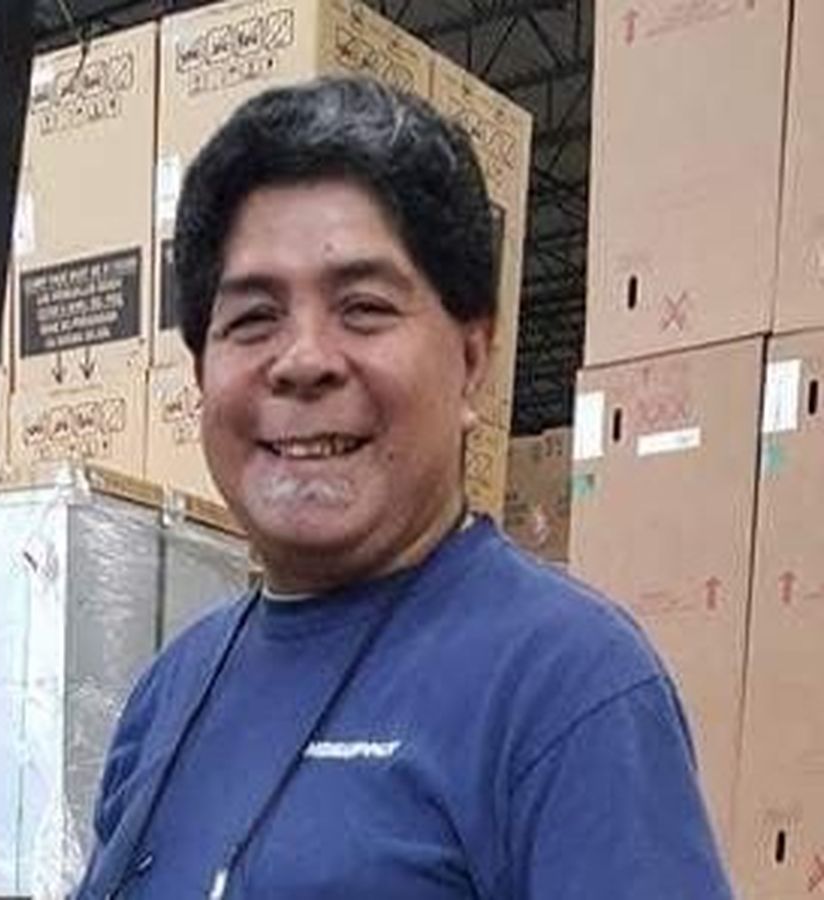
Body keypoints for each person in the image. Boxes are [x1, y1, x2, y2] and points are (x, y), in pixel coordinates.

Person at [75, 76, 733, 899]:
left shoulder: (565, 683)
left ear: (472, 359)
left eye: (363, 308)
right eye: (252, 318)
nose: (303, 360)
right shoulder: (171, 691)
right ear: (202, 373)